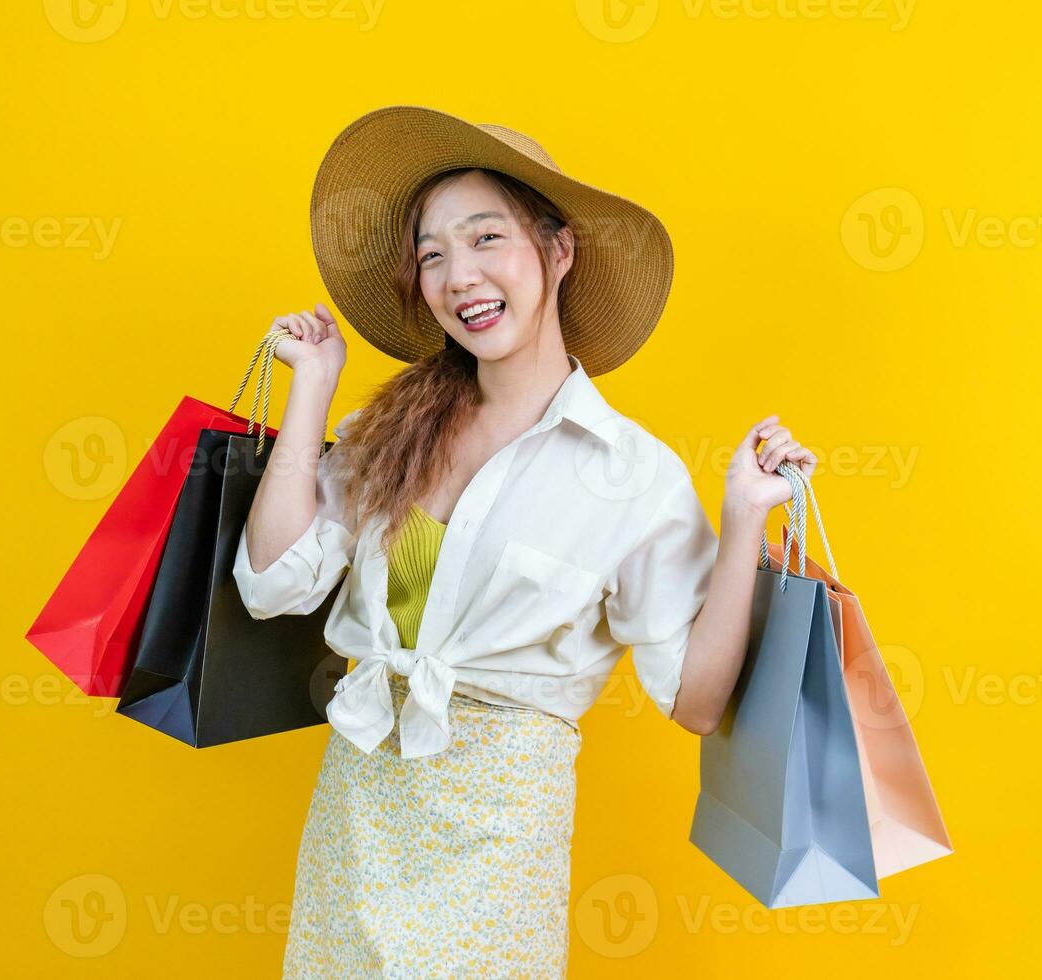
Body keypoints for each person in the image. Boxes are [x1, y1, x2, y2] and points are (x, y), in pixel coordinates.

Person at [232, 105, 818, 978]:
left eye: (485, 239)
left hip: (497, 832)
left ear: (558, 250)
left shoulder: (632, 476)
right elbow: (272, 584)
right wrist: (312, 391)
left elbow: (694, 701)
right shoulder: (395, 430)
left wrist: (741, 525)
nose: (457, 275)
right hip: (359, 804)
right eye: (432, 254)